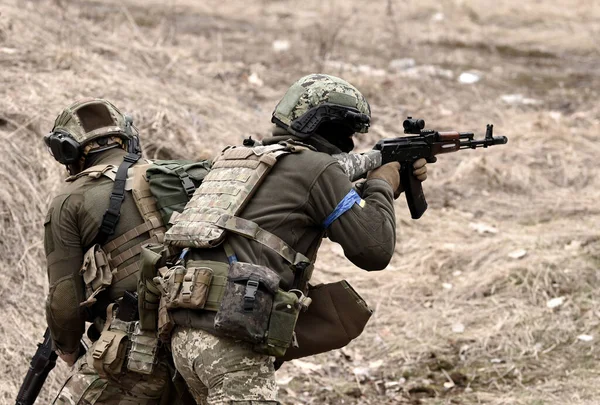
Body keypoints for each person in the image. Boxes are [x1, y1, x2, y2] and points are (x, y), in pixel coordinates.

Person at [163, 73, 428, 404]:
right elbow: (373, 250)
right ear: (330, 127)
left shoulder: (246, 158)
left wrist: (370, 190)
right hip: (231, 342)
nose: (349, 142)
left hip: (186, 331)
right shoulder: (316, 167)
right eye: (347, 133)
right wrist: (383, 184)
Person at [43, 99, 185, 404]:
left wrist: (67, 349)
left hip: (134, 347)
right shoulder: (168, 175)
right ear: (127, 135)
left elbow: (64, 296)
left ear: (67, 150)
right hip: (197, 333)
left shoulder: (70, 199)